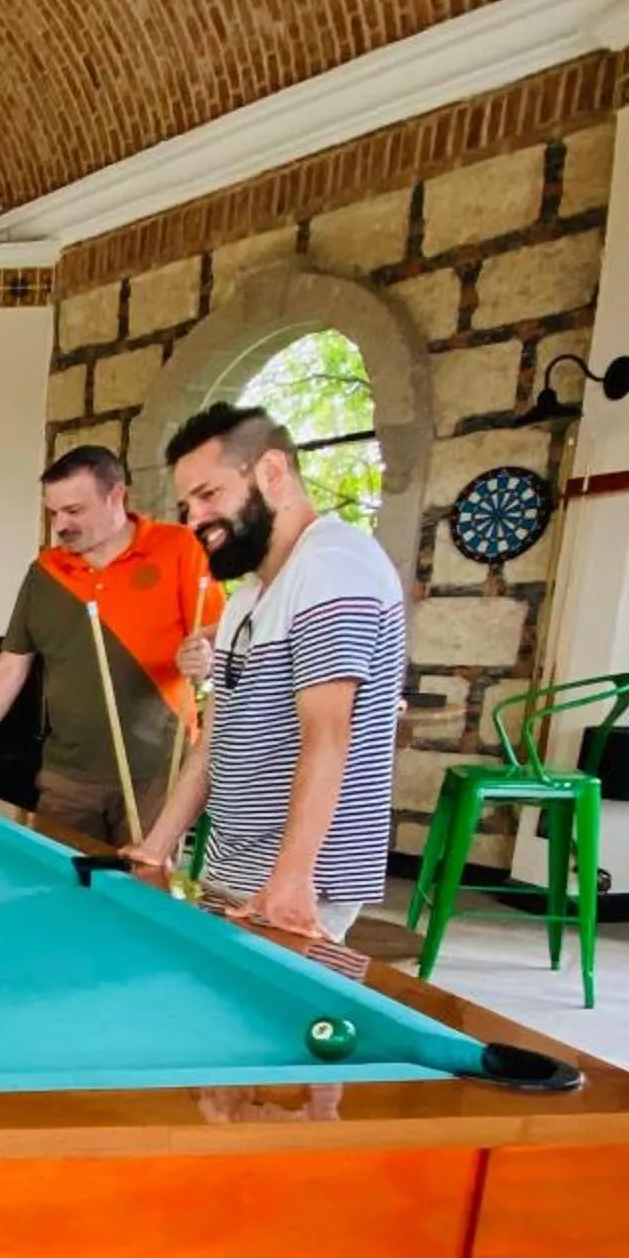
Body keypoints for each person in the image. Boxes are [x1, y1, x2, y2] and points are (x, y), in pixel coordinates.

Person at [128, 403, 407, 941]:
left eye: (209, 495)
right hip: (234, 863)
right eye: (186, 506)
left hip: (300, 879)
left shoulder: (332, 565)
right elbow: (215, 742)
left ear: (272, 473)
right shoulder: (249, 596)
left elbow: (328, 737)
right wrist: (156, 848)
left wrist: (291, 878)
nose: (193, 522)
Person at [0, 445, 215, 839]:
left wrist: (204, 652)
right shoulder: (46, 571)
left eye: (74, 511)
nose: (60, 525)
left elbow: (219, 636)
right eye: (53, 512)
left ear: (116, 495)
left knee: (142, 894)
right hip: (67, 778)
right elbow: (10, 666)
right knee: (56, 886)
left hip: (156, 776)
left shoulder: (179, 548)